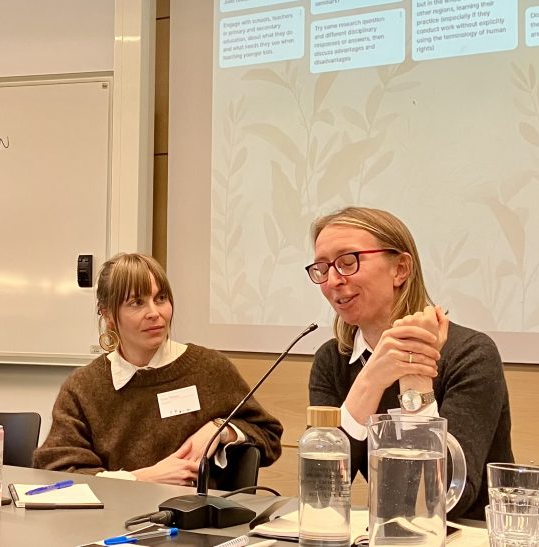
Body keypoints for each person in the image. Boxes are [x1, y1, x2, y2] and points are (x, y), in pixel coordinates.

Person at [306, 207, 512, 520]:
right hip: (386, 534)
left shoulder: (471, 354)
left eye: (347, 262)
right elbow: (322, 493)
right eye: (322, 268)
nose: (333, 280)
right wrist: (370, 379)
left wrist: (414, 375)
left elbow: (442, 496)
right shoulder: (331, 361)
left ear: (400, 269)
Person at [33, 253, 282, 485]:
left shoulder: (210, 369)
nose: (155, 313)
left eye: (160, 298)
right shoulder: (83, 387)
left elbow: (268, 436)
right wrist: (142, 479)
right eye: (136, 303)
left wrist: (221, 429)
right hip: (108, 522)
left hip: (195, 523)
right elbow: (55, 473)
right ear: (108, 314)